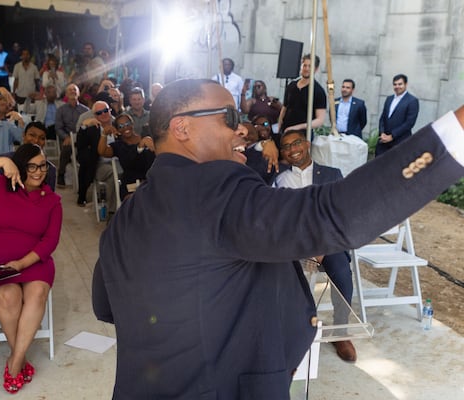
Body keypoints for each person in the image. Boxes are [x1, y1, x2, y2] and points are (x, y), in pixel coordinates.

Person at [91, 78, 464, 399]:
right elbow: (335, 214)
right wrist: (453, 138)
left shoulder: (126, 217)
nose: (243, 130)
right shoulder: (215, 189)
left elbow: (106, 306)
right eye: (229, 117)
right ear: (182, 128)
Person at [0, 143, 62, 394]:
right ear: (19, 166)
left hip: (32, 262)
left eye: (42, 166)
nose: (39, 172)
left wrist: (22, 263)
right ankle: (21, 357)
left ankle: (15, 362)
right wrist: (1, 162)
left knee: (37, 292)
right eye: (32, 166)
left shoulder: (52, 200)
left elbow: (50, 241)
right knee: (9, 296)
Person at [274, 129, 357, 362]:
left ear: (307, 144)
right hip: (290, 243)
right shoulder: (277, 177)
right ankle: (294, 327)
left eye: (297, 143)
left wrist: (320, 246)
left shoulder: (331, 174)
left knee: (340, 269)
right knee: (277, 269)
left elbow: (340, 214)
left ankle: (341, 332)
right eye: (286, 146)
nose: (292, 150)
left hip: (326, 241)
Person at [97, 114, 155, 200]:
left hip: (151, 181)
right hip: (131, 184)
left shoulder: (146, 139)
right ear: (117, 130)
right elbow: (102, 151)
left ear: (132, 124)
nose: (125, 128)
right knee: (136, 200)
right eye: (121, 126)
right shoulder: (119, 146)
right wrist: (104, 134)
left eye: (128, 124)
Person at [278, 54, 326, 139]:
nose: (306, 69)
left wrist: (297, 127)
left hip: (303, 135)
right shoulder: (291, 86)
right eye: (305, 65)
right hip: (285, 131)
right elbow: (284, 108)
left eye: (310, 66)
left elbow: (320, 120)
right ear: (301, 66)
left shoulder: (318, 91)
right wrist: (279, 126)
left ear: (316, 69)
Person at [376, 73, 420, 156]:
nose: (397, 87)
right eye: (395, 84)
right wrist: (382, 133)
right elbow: (383, 118)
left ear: (406, 84)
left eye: (400, 84)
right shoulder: (389, 99)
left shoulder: (412, 101)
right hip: (383, 142)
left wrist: (392, 136)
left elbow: (409, 123)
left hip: (400, 143)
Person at [55, 83, 89, 186]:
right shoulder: (61, 110)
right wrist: (66, 137)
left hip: (81, 137)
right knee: (67, 147)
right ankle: (61, 173)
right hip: (66, 137)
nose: (72, 91)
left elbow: (87, 127)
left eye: (75, 90)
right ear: (66, 94)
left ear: (78, 93)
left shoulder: (86, 110)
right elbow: (58, 127)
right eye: (70, 90)